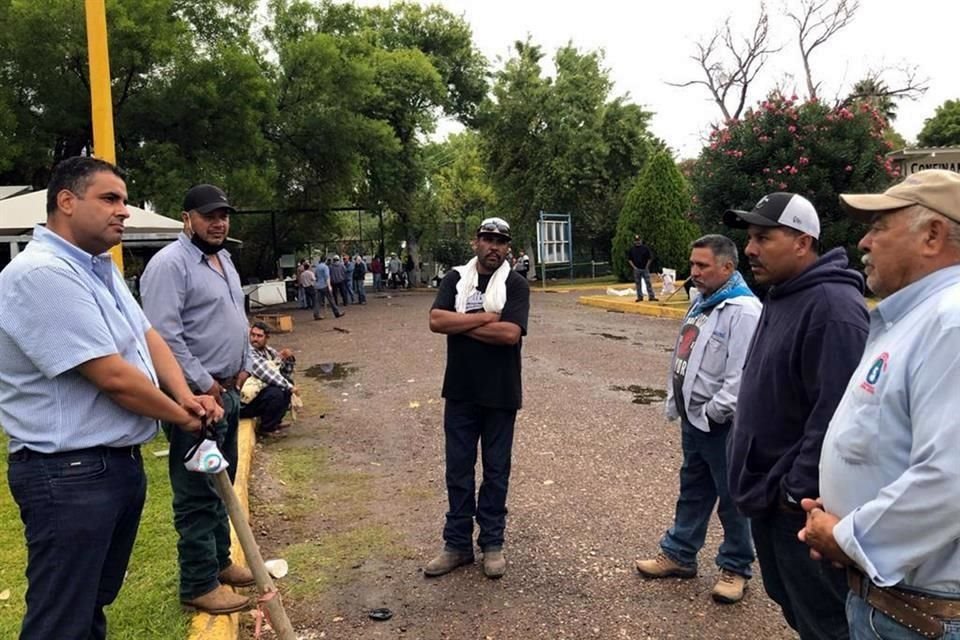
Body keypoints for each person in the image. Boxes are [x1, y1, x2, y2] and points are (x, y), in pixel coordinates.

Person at [0, 156, 221, 640]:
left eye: (123, 199)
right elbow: (111, 375)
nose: (124, 211)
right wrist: (181, 415)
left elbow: (149, 337)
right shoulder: (41, 273)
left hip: (108, 465)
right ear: (65, 201)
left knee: (89, 604)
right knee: (62, 617)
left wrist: (187, 394)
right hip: (68, 473)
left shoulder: (99, 268)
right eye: (109, 199)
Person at [799, 170, 960, 640]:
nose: (864, 241)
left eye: (879, 226)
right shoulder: (921, 318)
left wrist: (847, 537)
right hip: (894, 602)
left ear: (931, 235)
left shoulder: (950, 323)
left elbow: (950, 475)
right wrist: (841, 514)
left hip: (924, 618)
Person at [723, 192, 869, 639]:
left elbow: (836, 417)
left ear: (803, 242)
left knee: (827, 623)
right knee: (796, 609)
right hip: (768, 500)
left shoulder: (833, 309)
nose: (750, 249)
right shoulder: (782, 294)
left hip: (797, 510)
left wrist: (792, 493)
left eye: (763, 237)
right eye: (749, 237)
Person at [141, 184, 255, 615]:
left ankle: (220, 561)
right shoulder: (169, 266)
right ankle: (197, 581)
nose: (218, 222)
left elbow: (236, 315)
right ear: (186, 218)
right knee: (196, 492)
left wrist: (242, 364)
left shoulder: (223, 258)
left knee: (221, 486)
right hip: (196, 401)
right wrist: (203, 383)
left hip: (227, 392)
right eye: (209, 215)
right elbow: (164, 336)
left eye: (223, 214)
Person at [635, 234, 760, 604]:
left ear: (727, 267)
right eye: (692, 264)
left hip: (722, 424)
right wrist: (682, 404)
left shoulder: (744, 311)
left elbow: (741, 377)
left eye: (702, 266)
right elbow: (685, 354)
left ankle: (736, 567)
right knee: (693, 489)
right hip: (696, 420)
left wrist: (712, 412)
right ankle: (679, 554)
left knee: (732, 498)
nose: (694, 272)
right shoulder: (704, 303)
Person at [426, 216, 530, 579]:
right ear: (476, 242)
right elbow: (436, 321)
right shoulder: (456, 278)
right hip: (461, 391)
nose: (493, 247)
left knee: (496, 471)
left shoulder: (515, 284)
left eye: (500, 241)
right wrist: (486, 317)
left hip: (501, 394)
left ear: (507, 247)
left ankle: (492, 544)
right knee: (458, 469)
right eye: (487, 239)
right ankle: (456, 545)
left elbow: (509, 335)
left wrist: (463, 321)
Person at [240, 322, 297, 436]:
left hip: (255, 398)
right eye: (253, 335)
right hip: (243, 403)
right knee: (277, 392)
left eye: (259, 336)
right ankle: (267, 428)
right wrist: (290, 387)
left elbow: (283, 372)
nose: (255, 339)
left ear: (267, 338)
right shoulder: (249, 353)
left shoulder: (268, 351)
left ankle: (275, 422)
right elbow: (267, 374)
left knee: (285, 384)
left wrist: (288, 359)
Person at [628, 235, 658, 302]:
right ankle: (640, 297)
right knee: (638, 284)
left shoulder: (645, 248)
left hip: (645, 268)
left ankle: (651, 296)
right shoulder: (632, 249)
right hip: (637, 269)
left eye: (638, 240)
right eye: (636, 241)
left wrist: (647, 266)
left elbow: (649, 258)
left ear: (641, 240)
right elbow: (629, 259)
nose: (637, 242)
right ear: (634, 241)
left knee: (648, 283)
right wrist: (634, 267)